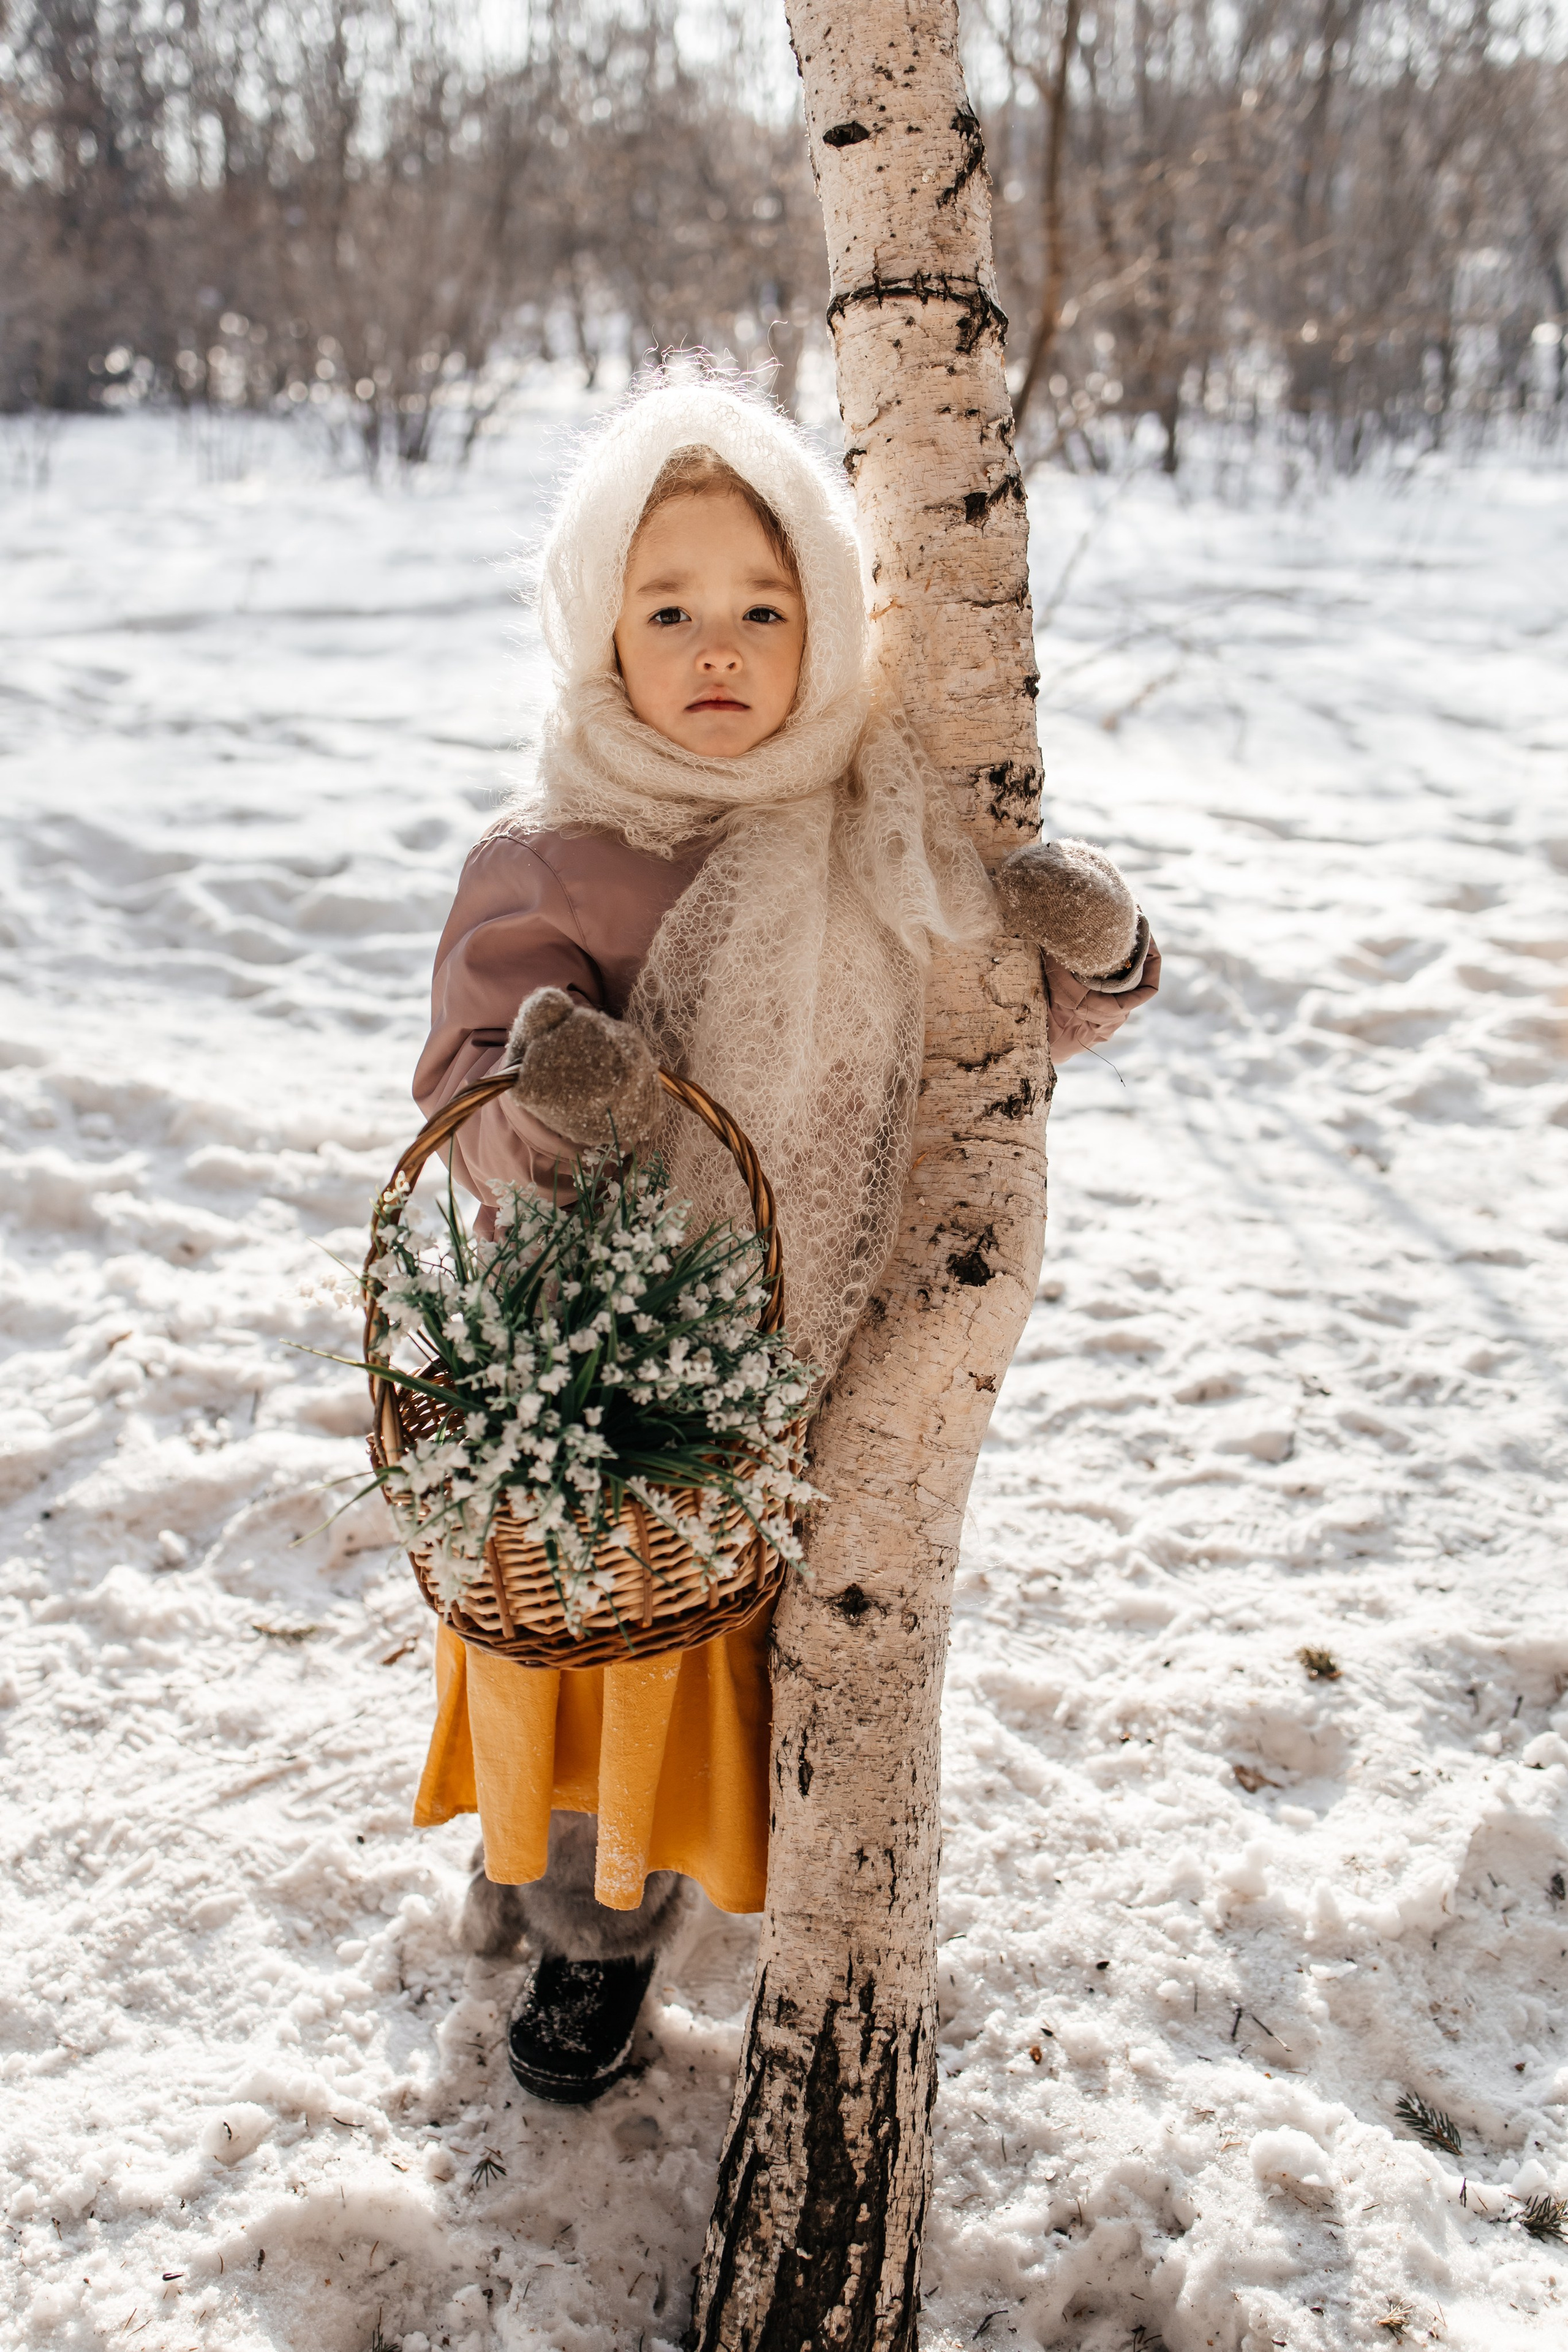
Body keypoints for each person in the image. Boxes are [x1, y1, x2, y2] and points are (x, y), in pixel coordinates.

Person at [410, 379, 1159, 2105]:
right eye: (667, 608)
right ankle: (586, 1946)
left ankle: (655, 1883)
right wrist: (555, 1102)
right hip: (613, 1366)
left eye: (764, 605)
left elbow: (984, 1034)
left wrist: (1100, 954)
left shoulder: (873, 818)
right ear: (601, 622)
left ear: (824, 618)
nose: (720, 647)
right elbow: (461, 1090)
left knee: (738, 1674)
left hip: (819, 1331)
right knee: (604, 1667)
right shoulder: (558, 852)